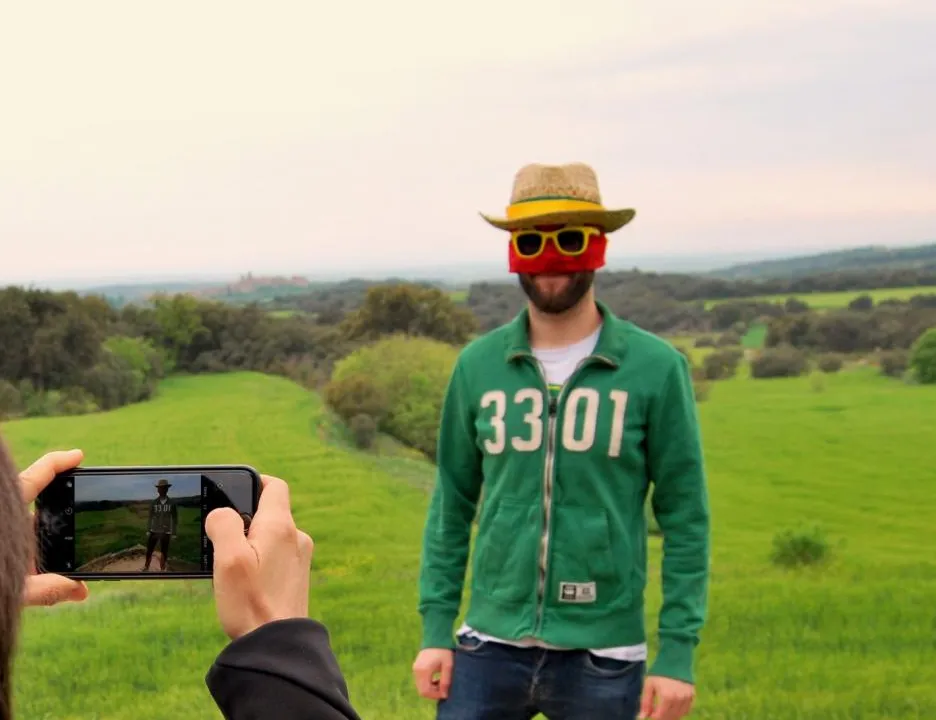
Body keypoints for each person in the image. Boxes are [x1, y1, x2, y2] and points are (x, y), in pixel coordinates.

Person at [413, 162, 711, 720]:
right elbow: (451, 502)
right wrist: (436, 628)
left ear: (598, 247)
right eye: (532, 241)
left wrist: (677, 653)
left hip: (605, 656)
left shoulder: (656, 368)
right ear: (513, 251)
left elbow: (686, 517)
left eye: (569, 240)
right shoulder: (478, 366)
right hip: (486, 648)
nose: (550, 259)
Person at [0, 439, 362, 719]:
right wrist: (278, 642)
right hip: (156, 534)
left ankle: (154, 560)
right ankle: (149, 562)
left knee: (157, 551)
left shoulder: (168, 503)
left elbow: (168, 518)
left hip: (164, 533)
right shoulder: (158, 504)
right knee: (150, 553)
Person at [143, 478, 178, 572]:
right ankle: (146, 567)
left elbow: (174, 518)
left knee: (164, 551)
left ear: (167, 489)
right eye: (160, 488)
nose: (162, 490)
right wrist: (148, 529)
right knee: (149, 550)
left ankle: (162, 569)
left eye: (164, 488)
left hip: (166, 531)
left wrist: (174, 533)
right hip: (154, 530)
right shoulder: (154, 503)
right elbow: (150, 517)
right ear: (158, 490)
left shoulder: (172, 503)